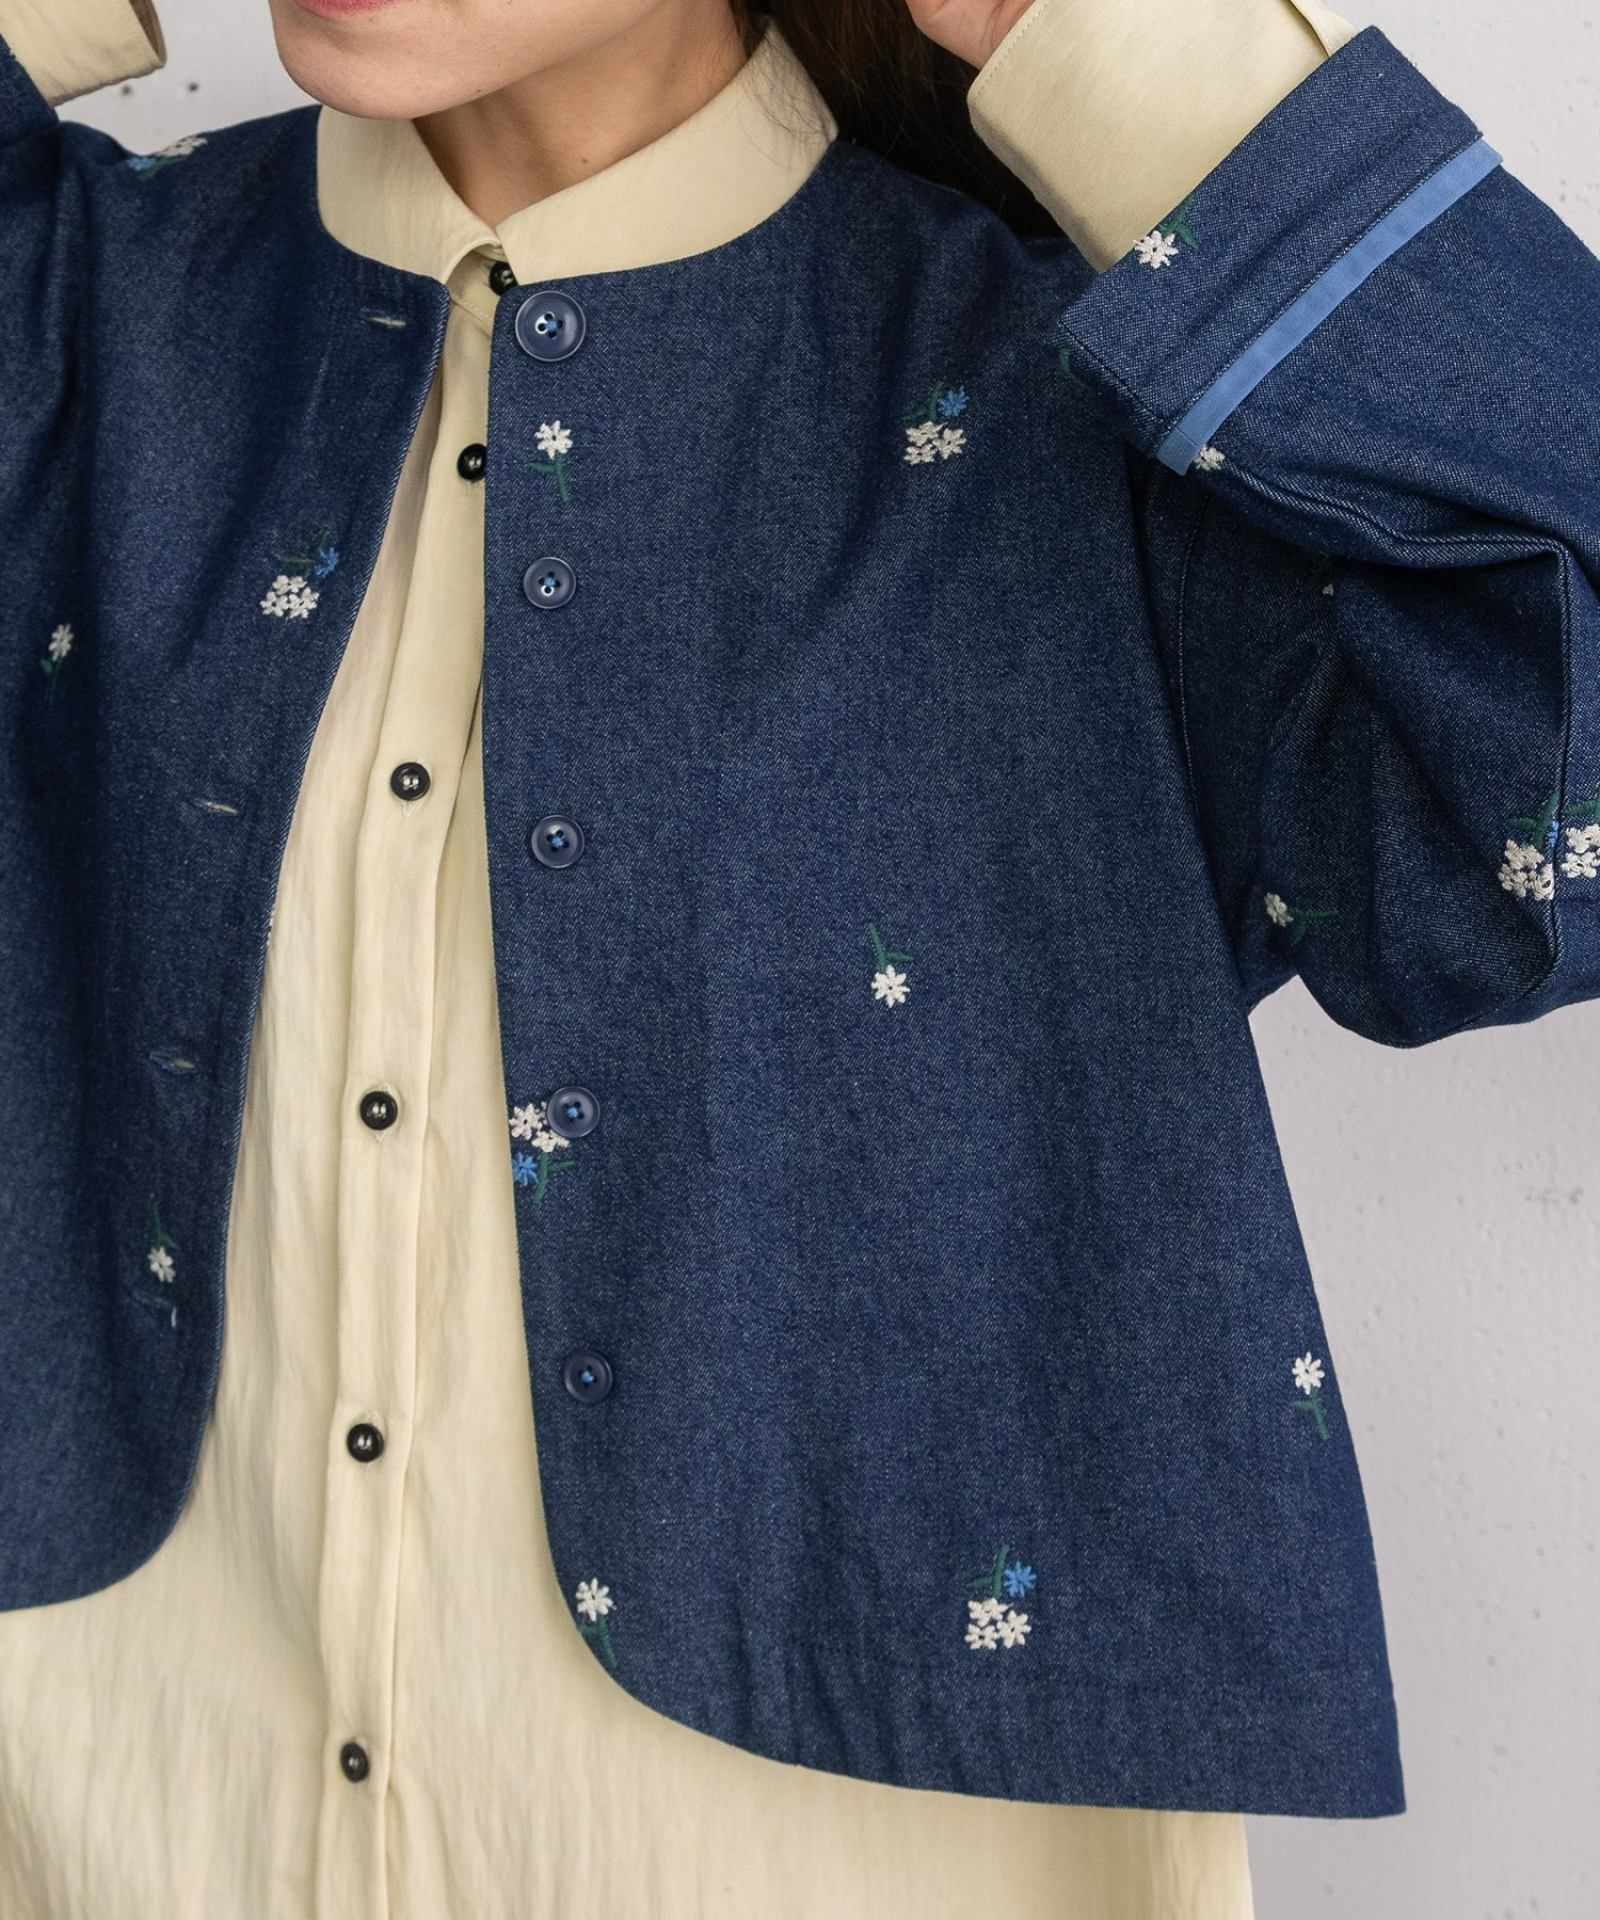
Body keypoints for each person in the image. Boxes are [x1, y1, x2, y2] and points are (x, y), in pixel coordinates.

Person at [0, 0, 1594, 1914]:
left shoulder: (1073, 377)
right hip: (100, 1807)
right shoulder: (81, 302)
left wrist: (1125, 52)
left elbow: (1548, 844)